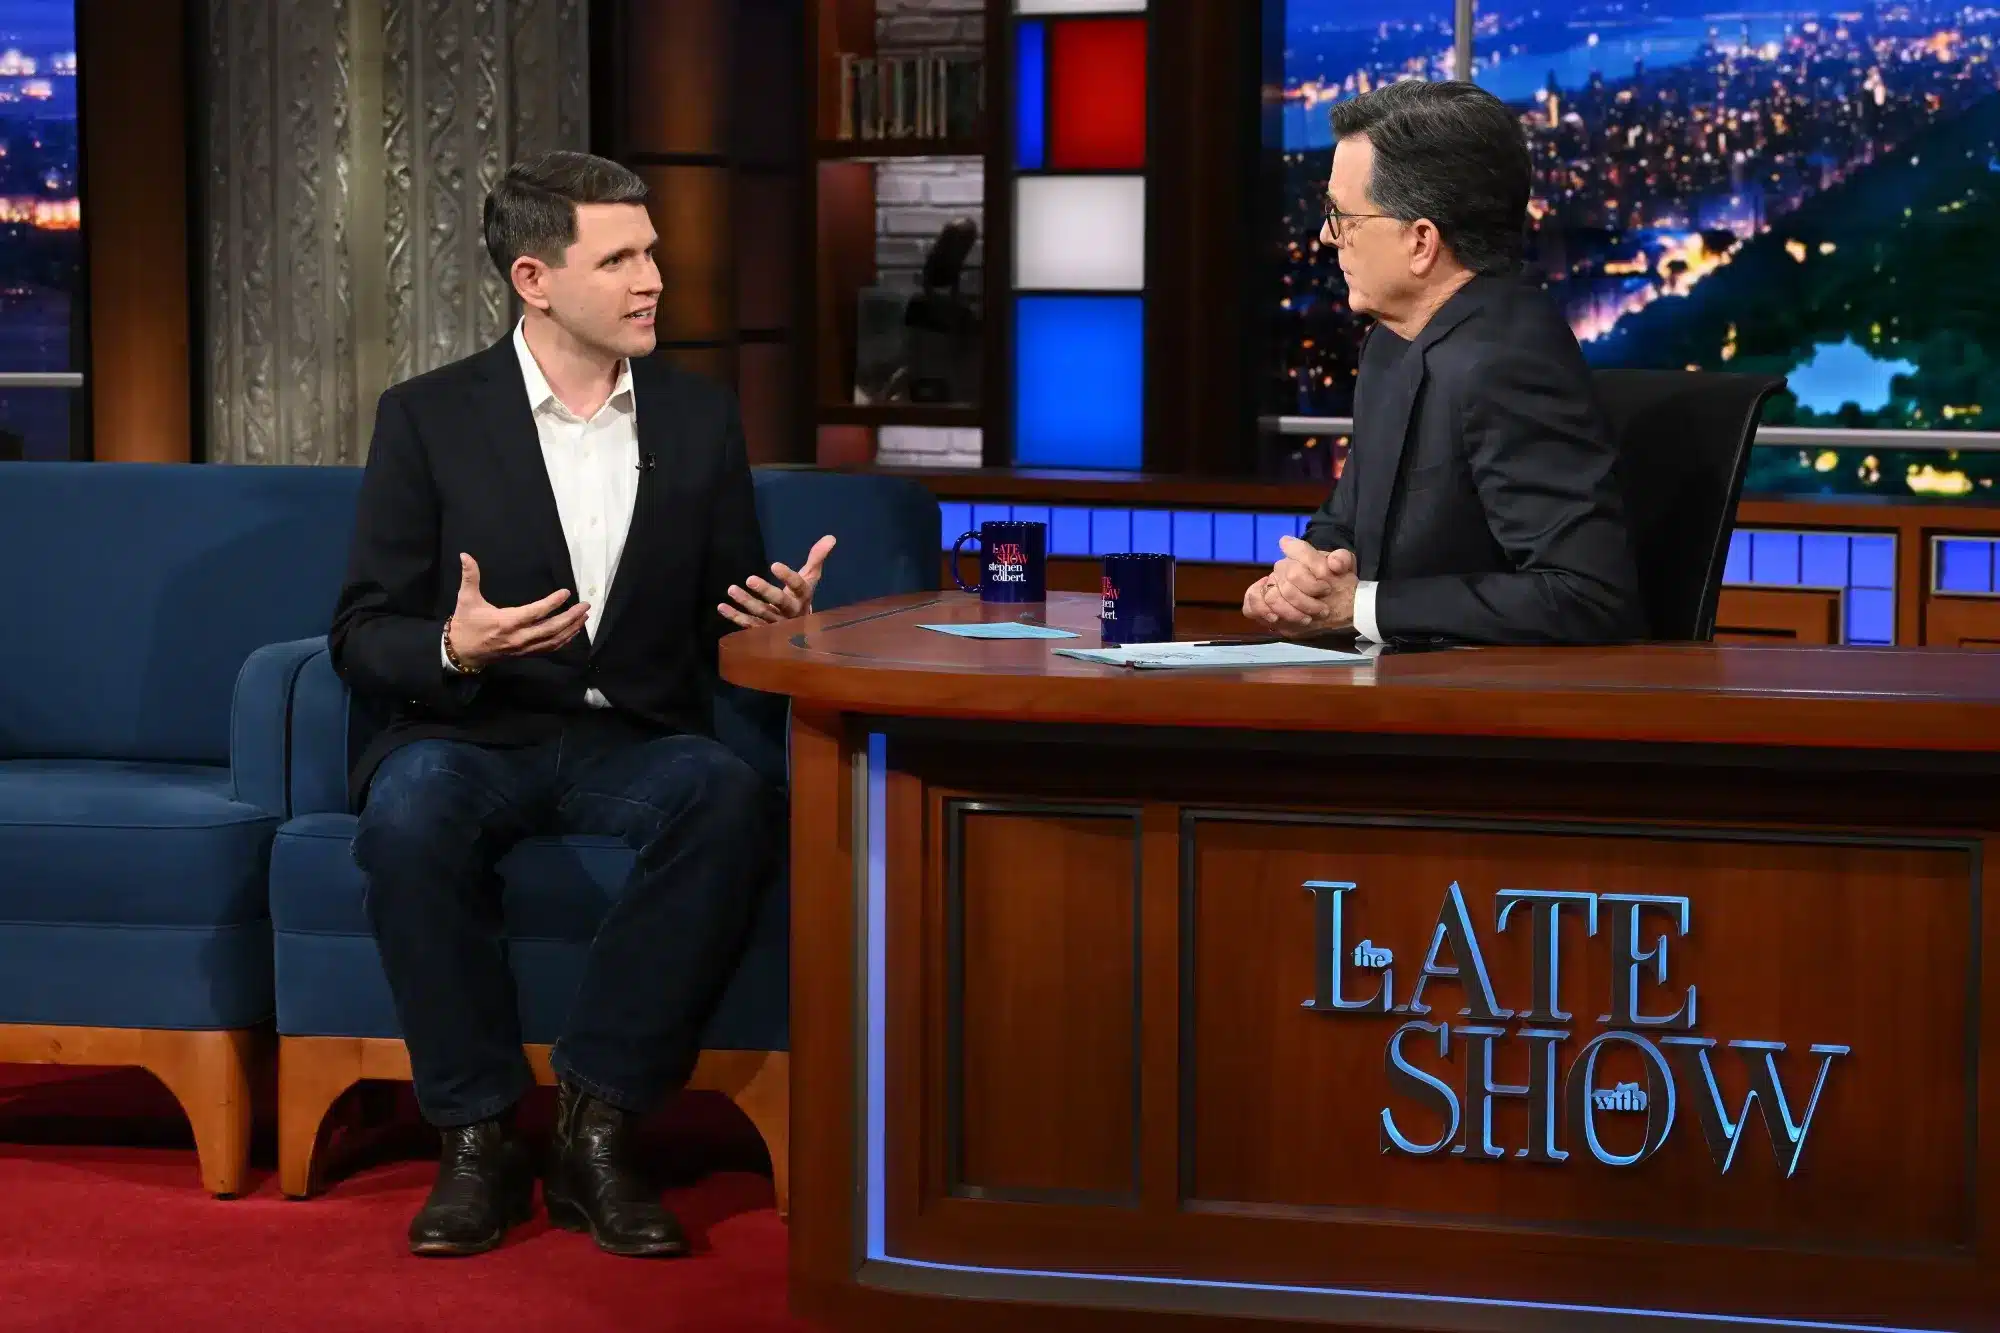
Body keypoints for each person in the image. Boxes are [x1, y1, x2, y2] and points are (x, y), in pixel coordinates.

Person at [330, 151, 832, 1259]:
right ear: (534, 278)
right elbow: (362, 633)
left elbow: (721, 616)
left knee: (728, 798)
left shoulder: (697, 421)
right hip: (472, 731)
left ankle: (596, 1128)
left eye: (652, 253)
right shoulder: (426, 418)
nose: (655, 279)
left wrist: (771, 613)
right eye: (621, 258)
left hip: (632, 737)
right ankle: (474, 1140)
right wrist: (456, 643)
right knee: (408, 817)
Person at [1244, 80, 1643, 646]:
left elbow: (1586, 596)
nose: (1327, 237)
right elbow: (1348, 519)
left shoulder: (1510, 360)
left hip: (1485, 712)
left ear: (1421, 241)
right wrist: (1304, 579)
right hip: (1386, 691)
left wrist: (1358, 605)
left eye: (1343, 216)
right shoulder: (1391, 342)